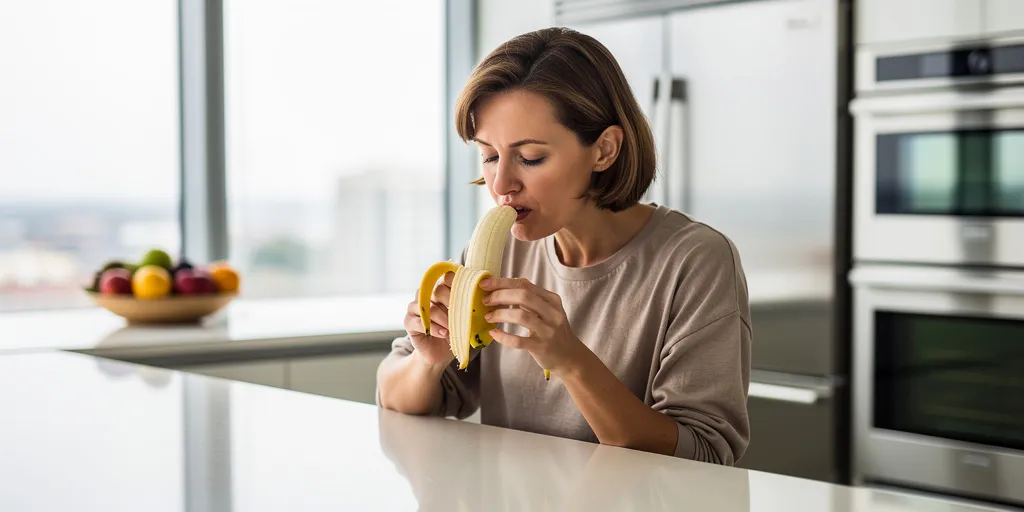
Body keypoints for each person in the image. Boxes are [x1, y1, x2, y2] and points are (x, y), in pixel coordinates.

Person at [376, 27, 751, 465]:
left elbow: (704, 454)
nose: (501, 185)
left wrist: (571, 360)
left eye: (530, 157)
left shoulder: (695, 261)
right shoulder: (501, 254)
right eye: (490, 155)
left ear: (604, 150)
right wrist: (430, 360)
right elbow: (394, 395)